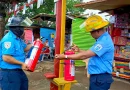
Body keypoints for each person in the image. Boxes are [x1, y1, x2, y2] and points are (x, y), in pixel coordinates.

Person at [55, 15, 114, 90]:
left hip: (100, 78)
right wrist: (79, 50)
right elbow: (91, 53)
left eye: (91, 32)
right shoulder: (102, 40)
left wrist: (64, 57)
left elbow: (84, 56)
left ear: (97, 31)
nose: (90, 35)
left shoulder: (103, 42)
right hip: (99, 77)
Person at [0, 15, 33, 90]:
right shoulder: (9, 39)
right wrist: (22, 63)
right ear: (17, 28)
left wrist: (35, 44)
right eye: (22, 28)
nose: (23, 30)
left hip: (18, 71)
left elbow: (24, 48)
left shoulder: (18, 39)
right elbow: (6, 58)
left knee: (24, 85)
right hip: (9, 73)